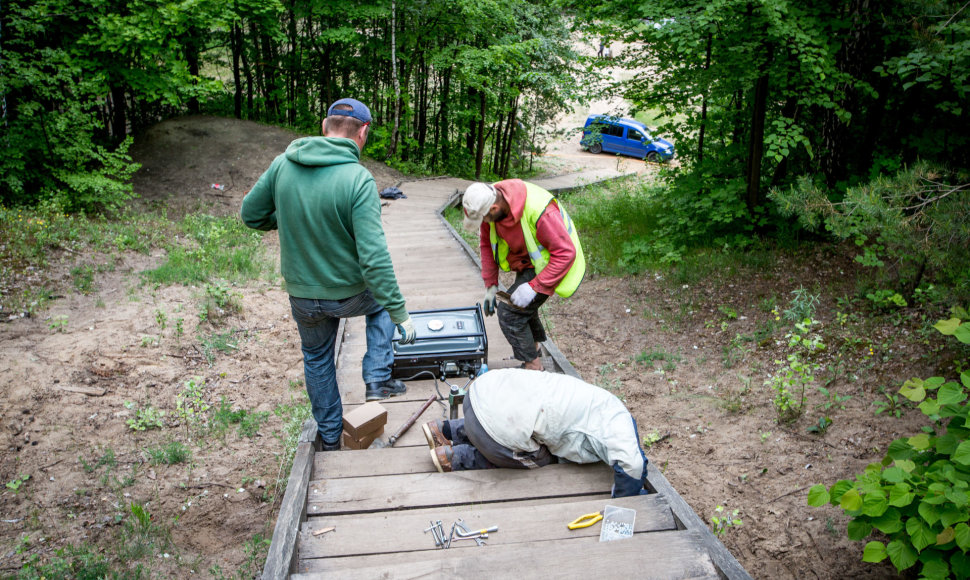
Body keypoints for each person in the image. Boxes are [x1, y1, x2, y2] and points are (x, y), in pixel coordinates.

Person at [241, 97, 416, 451]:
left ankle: (332, 438)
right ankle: (377, 378)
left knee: (317, 358)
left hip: (303, 295)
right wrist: (400, 313)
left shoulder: (282, 165)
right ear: (363, 133)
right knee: (381, 304)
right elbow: (374, 258)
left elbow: (251, 214)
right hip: (350, 293)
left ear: (324, 127)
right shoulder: (358, 179)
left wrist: (290, 218)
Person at [422, 368, 649, 498]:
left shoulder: (599, 400)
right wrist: (626, 500)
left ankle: (444, 430)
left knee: (514, 416)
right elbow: (633, 466)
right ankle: (457, 458)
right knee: (542, 457)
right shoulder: (617, 425)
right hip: (492, 430)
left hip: (478, 393)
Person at [462, 179, 585, 371]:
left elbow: (566, 253)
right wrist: (491, 286)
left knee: (509, 314)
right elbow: (487, 245)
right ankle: (534, 354)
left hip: (555, 262)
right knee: (521, 308)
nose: (484, 224)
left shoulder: (540, 211)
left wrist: (534, 286)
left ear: (494, 208)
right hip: (528, 262)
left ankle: (533, 367)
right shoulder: (487, 202)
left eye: (484, 219)